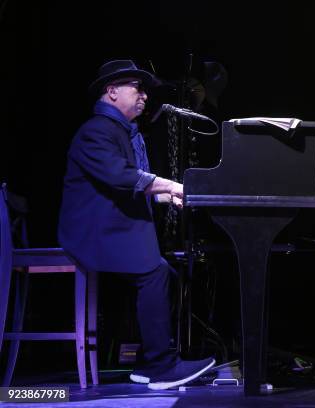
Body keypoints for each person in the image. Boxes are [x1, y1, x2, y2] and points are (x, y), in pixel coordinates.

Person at [58, 59, 215, 390]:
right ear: (111, 91)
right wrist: (172, 186)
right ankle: (161, 366)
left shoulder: (120, 131)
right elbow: (119, 177)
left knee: (165, 273)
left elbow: (125, 185)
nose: (144, 95)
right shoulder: (96, 130)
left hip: (112, 225)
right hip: (92, 231)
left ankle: (148, 363)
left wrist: (162, 197)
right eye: (137, 88)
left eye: (145, 90)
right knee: (154, 273)